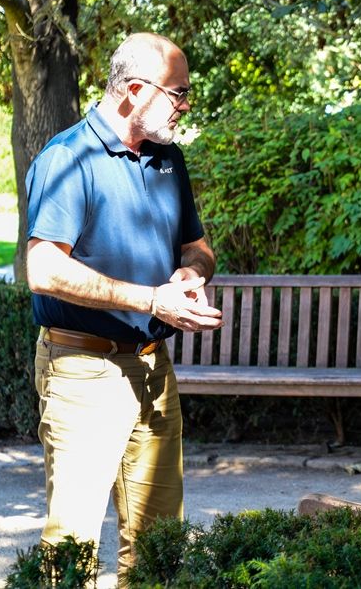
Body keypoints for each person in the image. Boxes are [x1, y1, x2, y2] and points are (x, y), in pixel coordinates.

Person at [24, 32, 224, 575]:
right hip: (83, 370)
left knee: (162, 546)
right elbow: (42, 269)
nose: (185, 105)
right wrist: (151, 299)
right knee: (72, 550)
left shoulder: (168, 159)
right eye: (178, 93)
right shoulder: (68, 158)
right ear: (135, 90)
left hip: (155, 369)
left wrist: (191, 272)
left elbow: (198, 247)